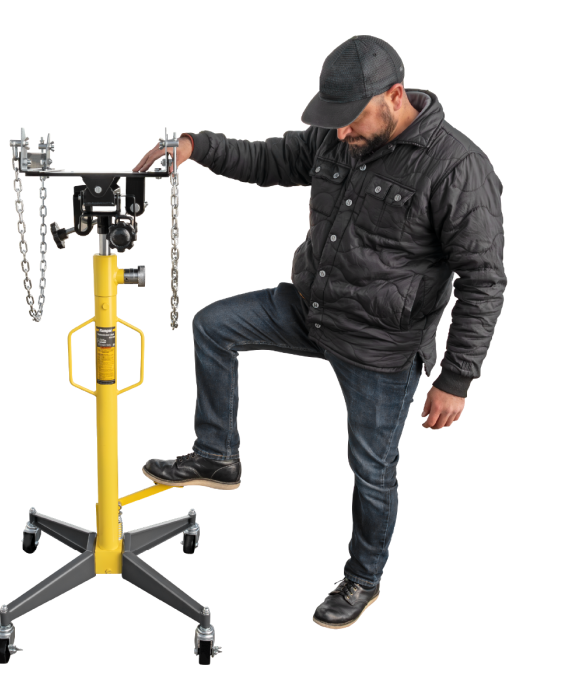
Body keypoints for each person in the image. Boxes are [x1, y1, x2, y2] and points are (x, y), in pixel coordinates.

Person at [133, 35, 506, 629]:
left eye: (352, 119)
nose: (341, 132)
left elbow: (483, 280)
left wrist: (456, 378)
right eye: (334, 120)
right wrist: (197, 146)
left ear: (395, 96)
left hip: (380, 346)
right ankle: (216, 455)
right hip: (313, 310)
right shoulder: (340, 136)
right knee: (214, 327)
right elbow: (268, 159)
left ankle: (363, 578)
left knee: (372, 470)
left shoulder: (458, 167)